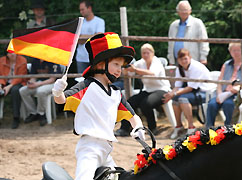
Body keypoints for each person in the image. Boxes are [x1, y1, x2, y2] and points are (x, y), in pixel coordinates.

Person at [52, 32, 145, 180]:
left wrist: (138, 127)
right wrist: (57, 91)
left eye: (121, 66)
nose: (119, 70)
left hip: (107, 149)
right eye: (116, 64)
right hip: (89, 148)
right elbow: (61, 100)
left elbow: (132, 116)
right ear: (101, 64)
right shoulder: (86, 87)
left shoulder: (116, 93)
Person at [115, 43, 171, 136]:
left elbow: (152, 73)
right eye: (143, 53)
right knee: (129, 103)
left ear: (152, 53)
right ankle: (124, 129)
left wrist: (135, 70)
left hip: (161, 89)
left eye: (147, 53)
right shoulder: (141, 62)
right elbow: (130, 73)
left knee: (146, 104)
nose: (145, 55)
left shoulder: (156, 62)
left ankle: (153, 128)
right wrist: (126, 69)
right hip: (148, 89)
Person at [164, 48, 211, 139]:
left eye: (185, 58)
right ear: (178, 60)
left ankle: (191, 126)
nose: (184, 61)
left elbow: (191, 87)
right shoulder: (180, 68)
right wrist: (171, 93)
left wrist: (174, 94)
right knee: (175, 100)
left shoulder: (196, 67)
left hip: (203, 91)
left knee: (182, 99)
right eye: (181, 59)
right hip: (192, 91)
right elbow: (177, 85)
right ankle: (179, 126)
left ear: (190, 57)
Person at [206, 43, 242, 129]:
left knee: (228, 104)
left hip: (236, 95)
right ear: (230, 52)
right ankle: (208, 129)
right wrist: (219, 94)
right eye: (233, 50)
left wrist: (238, 88)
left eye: (238, 50)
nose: (236, 52)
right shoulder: (227, 64)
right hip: (223, 92)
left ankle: (228, 129)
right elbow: (220, 81)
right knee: (212, 104)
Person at [19, 59, 61, 126]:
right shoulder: (35, 61)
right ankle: (33, 113)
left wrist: (37, 84)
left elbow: (52, 79)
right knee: (23, 91)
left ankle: (41, 113)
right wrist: (31, 82)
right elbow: (33, 76)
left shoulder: (53, 61)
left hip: (52, 84)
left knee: (41, 91)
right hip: (38, 82)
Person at [167, 0, 209, 65]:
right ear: (177, 12)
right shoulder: (173, 25)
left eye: (186, 10)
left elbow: (204, 41)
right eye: (181, 10)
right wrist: (171, 60)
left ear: (190, 10)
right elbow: (170, 44)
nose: (184, 12)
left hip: (193, 61)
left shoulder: (197, 23)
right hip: (177, 61)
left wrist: (203, 58)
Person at [75, 0, 105, 73]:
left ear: (89, 8)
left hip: (95, 57)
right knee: (81, 81)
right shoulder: (80, 22)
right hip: (81, 58)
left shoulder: (99, 21)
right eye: (80, 10)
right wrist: (92, 36)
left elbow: (99, 37)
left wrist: (83, 37)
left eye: (83, 9)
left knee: (95, 81)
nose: (81, 12)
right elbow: (77, 39)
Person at [0, 52, 27, 129]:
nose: (12, 54)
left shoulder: (22, 60)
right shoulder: (2, 61)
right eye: (10, 53)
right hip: (4, 82)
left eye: (14, 52)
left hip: (18, 82)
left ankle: (16, 118)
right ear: (6, 54)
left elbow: (21, 77)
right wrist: (1, 86)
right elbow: (1, 75)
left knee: (15, 91)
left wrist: (9, 86)